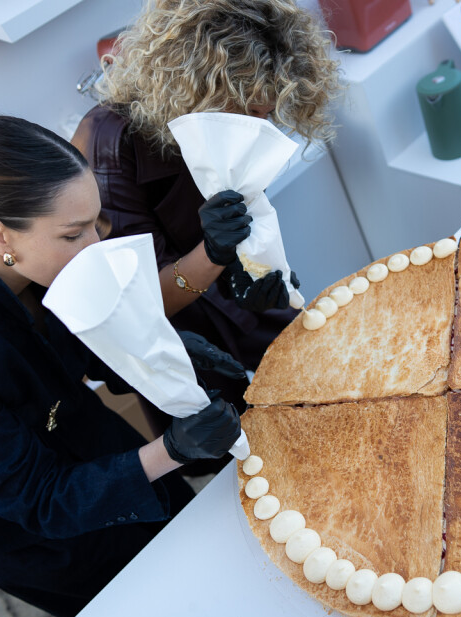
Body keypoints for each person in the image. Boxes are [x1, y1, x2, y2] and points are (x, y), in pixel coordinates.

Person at [0, 115, 244, 617]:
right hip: (29, 529)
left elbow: (90, 341)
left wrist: (164, 346)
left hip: (87, 434)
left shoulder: (32, 262)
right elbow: (38, 498)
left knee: (199, 553)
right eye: (73, 233)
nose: (93, 246)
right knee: (157, 616)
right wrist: (172, 450)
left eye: (95, 224)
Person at [72, 0, 342, 412]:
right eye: (250, 111)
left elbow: (241, 221)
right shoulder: (108, 148)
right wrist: (213, 254)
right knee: (233, 456)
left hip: (242, 310)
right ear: (199, 87)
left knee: (324, 389)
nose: (260, 127)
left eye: (268, 113)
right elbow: (136, 306)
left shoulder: (224, 118)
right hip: (182, 342)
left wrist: (252, 269)